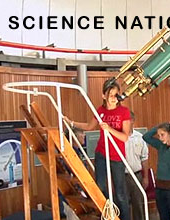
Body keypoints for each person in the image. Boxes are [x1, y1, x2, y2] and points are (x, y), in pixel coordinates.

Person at [64, 79, 131, 220]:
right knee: (100, 186)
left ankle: (123, 218)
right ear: (104, 96)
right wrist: (71, 122)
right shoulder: (100, 110)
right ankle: (109, 214)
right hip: (101, 153)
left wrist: (109, 129)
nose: (114, 98)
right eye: (111, 94)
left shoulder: (124, 112)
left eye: (116, 95)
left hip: (117, 156)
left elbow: (125, 137)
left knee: (120, 192)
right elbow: (89, 126)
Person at [143, 121, 170, 220]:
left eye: (162, 135)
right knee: (163, 216)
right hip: (160, 188)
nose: (160, 138)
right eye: (158, 136)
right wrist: (159, 127)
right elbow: (146, 137)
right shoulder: (161, 146)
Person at [125, 111, 149, 220]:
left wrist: (145, 177)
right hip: (122, 176)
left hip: (136, 175)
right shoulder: (118, 137)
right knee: (122, 204)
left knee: (138, 204)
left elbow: (144, 158)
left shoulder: (140, 137)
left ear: (133, 120)